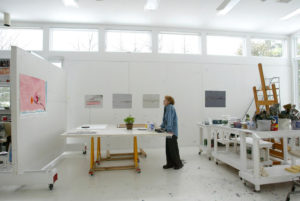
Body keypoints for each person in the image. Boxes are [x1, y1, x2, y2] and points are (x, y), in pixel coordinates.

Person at [160, 96, 183, 170]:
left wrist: (169, 129)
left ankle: (178, 164)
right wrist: (161, 127)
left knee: (172, 148)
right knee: (168, 148)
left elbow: (169, 119)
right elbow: (165, 120)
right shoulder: (166, 108)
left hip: (171, 132)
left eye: (165, 100)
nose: (163, 101)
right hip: (168, 131)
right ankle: (170, 163)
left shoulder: (170, 107)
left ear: (169, 101)